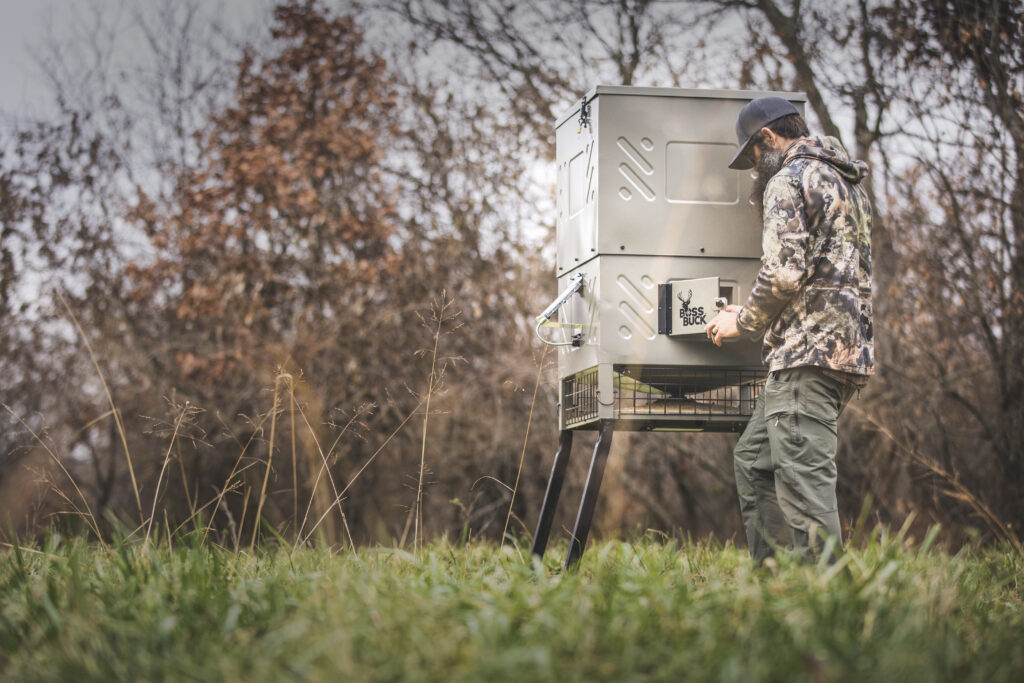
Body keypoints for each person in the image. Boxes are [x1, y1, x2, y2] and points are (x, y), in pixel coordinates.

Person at [704, 96, 874, 564]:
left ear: (767, 138)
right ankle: (776, 587)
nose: (756, 168)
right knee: (755, 462)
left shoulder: (789, 179)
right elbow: (821, 270)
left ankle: (825, 608)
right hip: (839, 351)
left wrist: (742, 320)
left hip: (806, 356)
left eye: (754, 156)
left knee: (805, 489)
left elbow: (783, 273)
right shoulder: (844, 179)